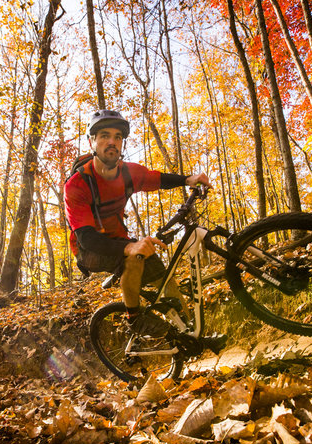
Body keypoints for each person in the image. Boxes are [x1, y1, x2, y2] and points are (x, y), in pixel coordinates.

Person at [64, 110, 211, 337]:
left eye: (118, 137)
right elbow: (86, 237)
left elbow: (158, 179)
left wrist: (188, 180)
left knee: (164, 277)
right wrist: (130, 246)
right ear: (91, 141)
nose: (112, 142)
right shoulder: (78, 184)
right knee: (133, 256)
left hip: (118, 239)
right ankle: (134, 319)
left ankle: (192, 333)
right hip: (88, 249)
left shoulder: (128, 173)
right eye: (104, 135)